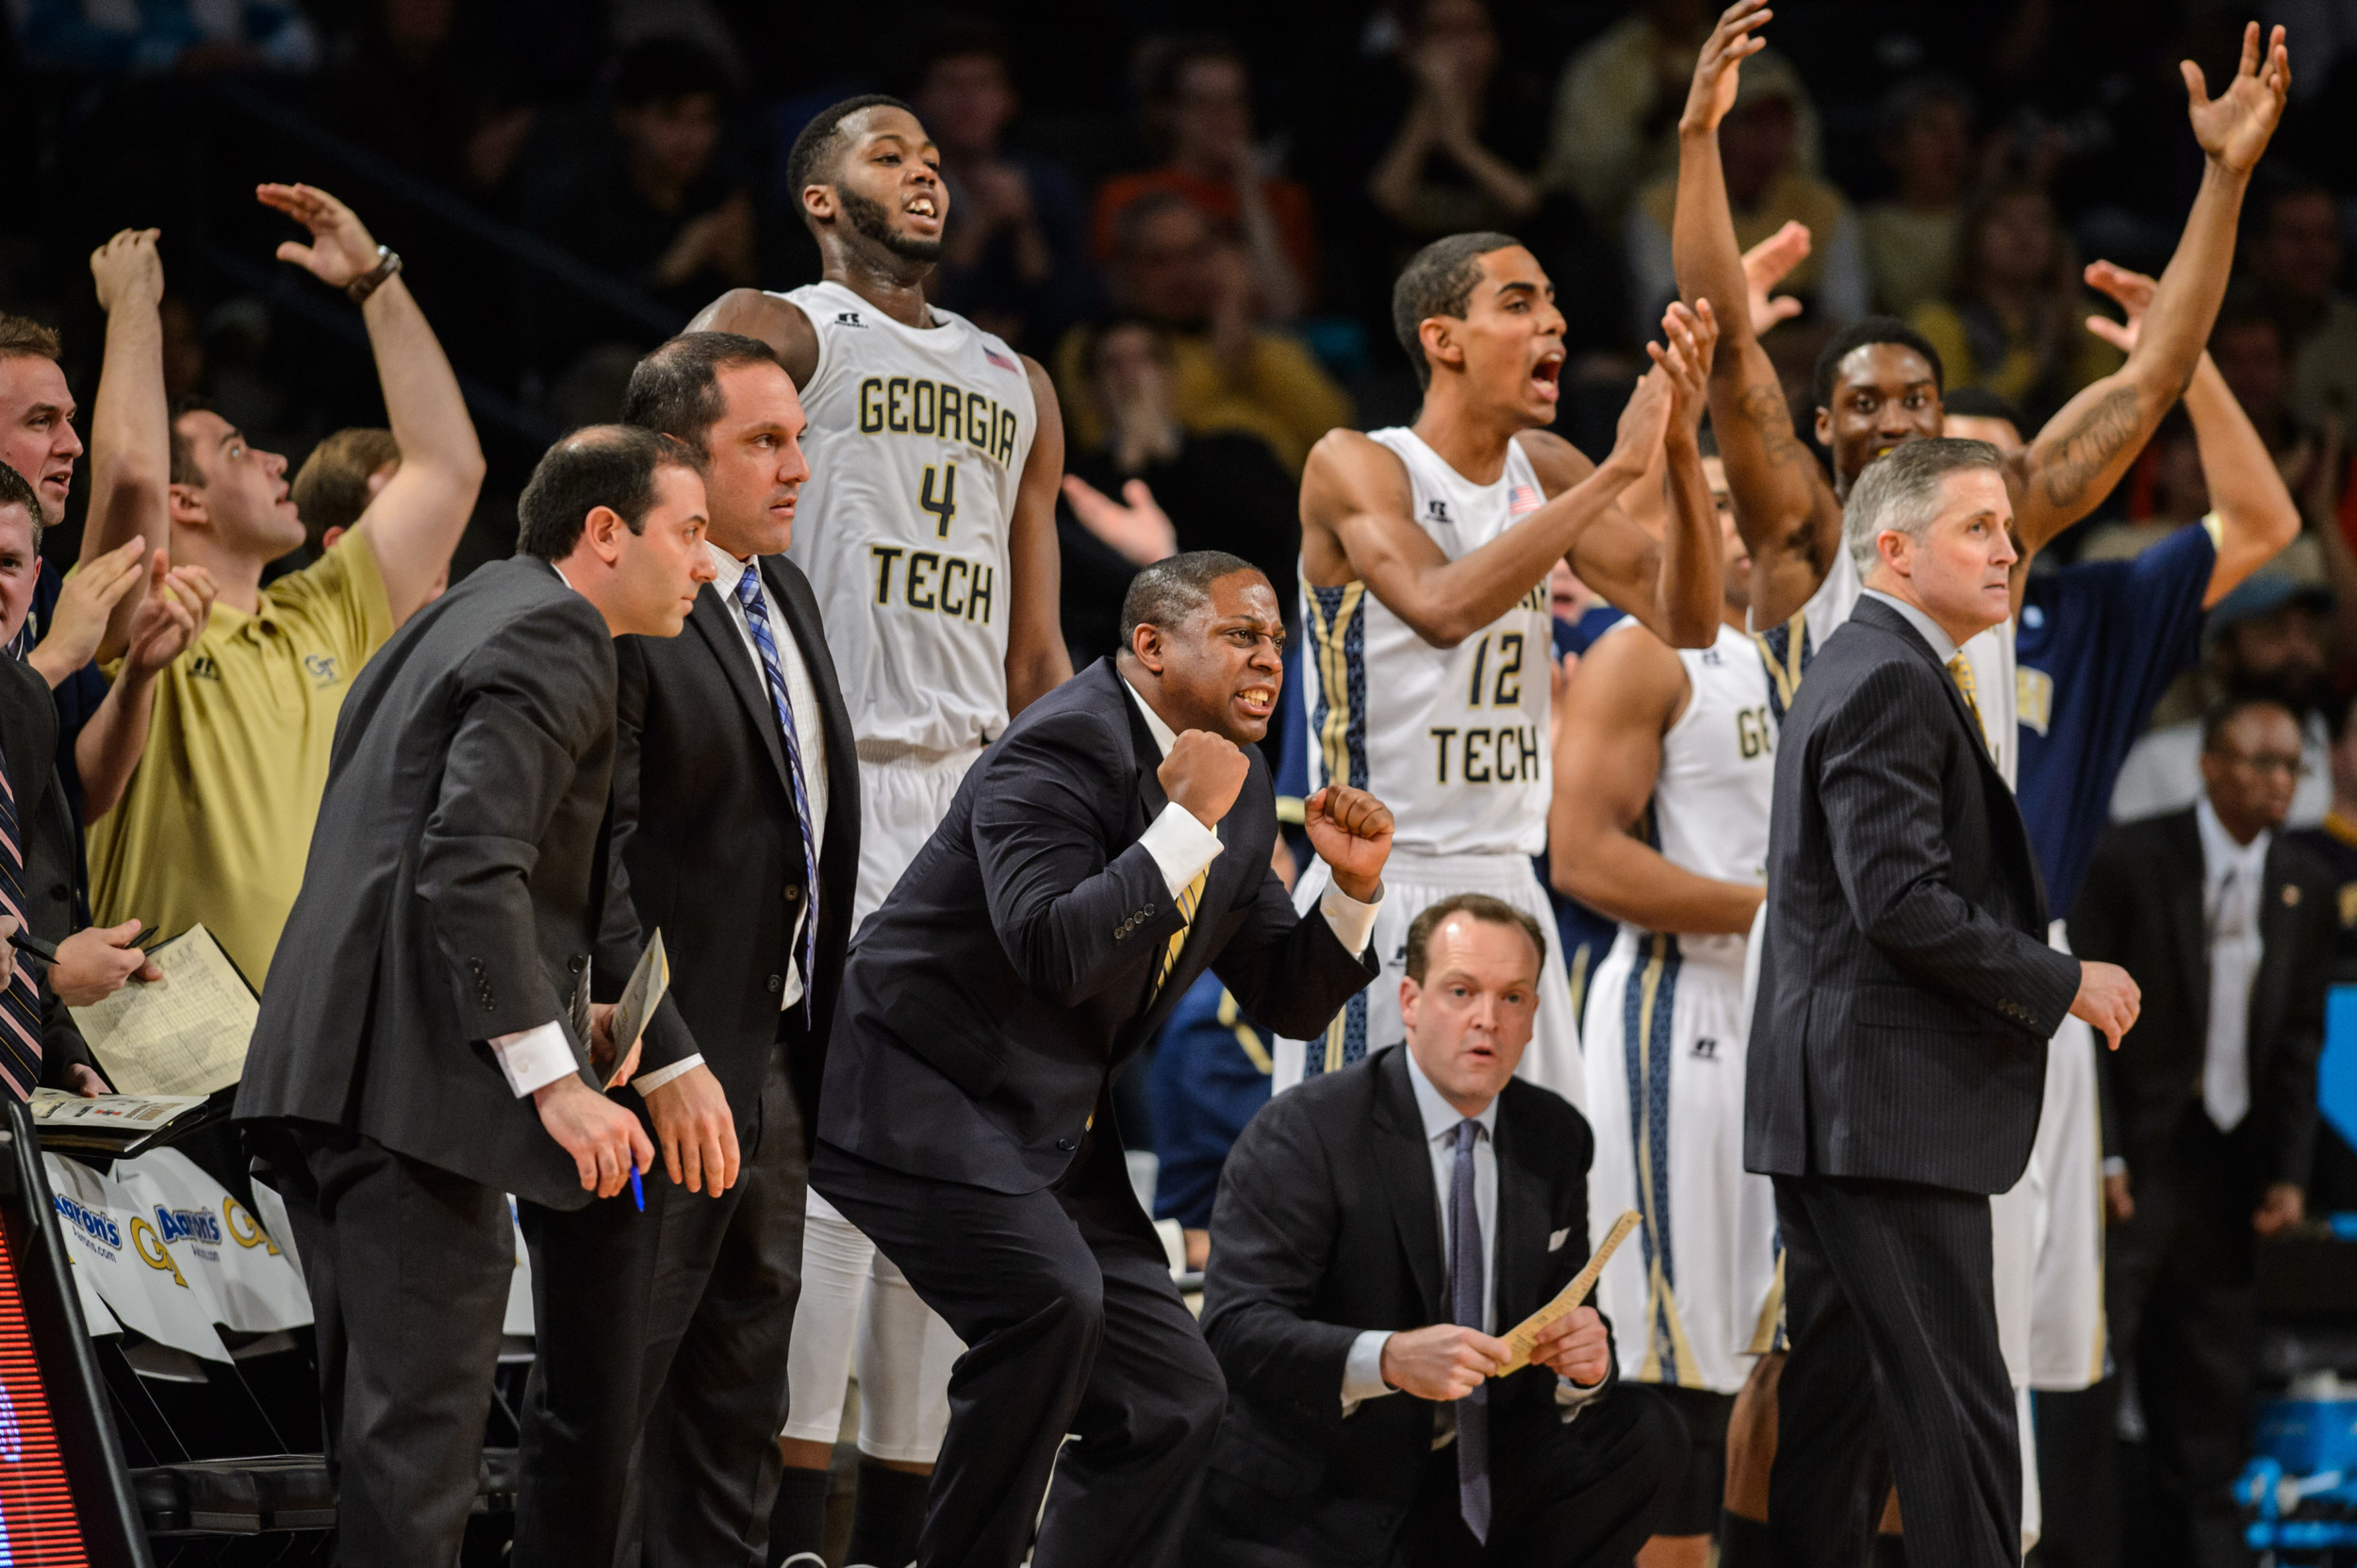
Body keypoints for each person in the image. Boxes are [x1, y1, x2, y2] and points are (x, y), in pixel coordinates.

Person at [810, 552, 1393, 1568]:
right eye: (1241, 636)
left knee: (1176, 1395)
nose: (1269, 660)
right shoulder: (1057, 750)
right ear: (1151, 646)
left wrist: (1348, 892)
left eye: (1278, 642)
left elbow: (1288, 998)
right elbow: (1053, 949)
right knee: (1049, 1303)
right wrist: (1183, 824)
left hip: (1039, 1119)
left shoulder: (1241, 784)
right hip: (905, 1085)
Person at [691, 92, 1071, 1568]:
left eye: (931, 150)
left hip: (975, 782)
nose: (921, 166)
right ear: (819, 199)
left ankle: (907, 1526)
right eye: (884, 150)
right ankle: (790, 1523)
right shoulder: (782, 321)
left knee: (962, 1162)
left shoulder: (1012, 374)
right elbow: (690, 462)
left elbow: (1038, 645)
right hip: (830, 770)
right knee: (849, 1153)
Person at [234, 426, 714, 1568]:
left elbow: (430, 852)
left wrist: (579, 1006)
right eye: (689, 533)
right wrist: (555, 1081)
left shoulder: (470, 608)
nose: (706, 563)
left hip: (341, 1072)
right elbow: (468, 859)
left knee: (386, 1458)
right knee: (416, 1469)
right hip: (411, 1091)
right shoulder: (556, 633)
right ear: (605, 533)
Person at [1746, 436, 2140, 1565]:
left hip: (1840, 1104)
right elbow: (1902, 902)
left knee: (1840, 1409)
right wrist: (2061, 978)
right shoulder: (1886, 676)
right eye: (1979, 528)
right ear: (1894, 548)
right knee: (1956, 1412)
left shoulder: (1870, 663)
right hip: (1885, 1110)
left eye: (2009, 531)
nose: (2008, 551)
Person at [505, 334, 863, 1568]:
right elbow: (585, 855)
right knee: (608, 1406)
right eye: (766, 440)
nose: (799, 466)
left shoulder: (791, 592)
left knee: (736, 1404)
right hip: (647, 1062)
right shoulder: (628, 601)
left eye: (800, 436)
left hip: (769, 1056)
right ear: (676, 459)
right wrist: (663, 1045)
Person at [1277, 230, 1722, 1106]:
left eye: (1552, 300)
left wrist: (1674, 446)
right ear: (1444, 339)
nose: (1552, 321)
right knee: (1367, 1208)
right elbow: (1440, 608)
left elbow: (1690, 617)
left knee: (1534, 1211)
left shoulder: (1548, 469)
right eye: (1518, 304)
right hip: (1381, 879)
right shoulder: (1357, 462)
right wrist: (1618, 472)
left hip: (1510, 874)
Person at [1187, 893, 1686, 1566]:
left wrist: (1584, 1367)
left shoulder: (1554, 1136)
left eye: (1512, 997)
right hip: (1320, 1487)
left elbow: (1566, 1312)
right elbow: (1234, 1329)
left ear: (1534, 1018)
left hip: (1468, 1483)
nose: (1487, 1018)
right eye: (1462, 990)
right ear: (1411, 1000)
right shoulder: (1306, 1130)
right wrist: (1387, 1357)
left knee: (1644, 1431)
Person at [82, 183, 484, 992]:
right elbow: (131, 469)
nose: (274, 461)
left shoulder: (324, 609)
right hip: (163, 1053)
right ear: (184, 499)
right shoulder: (135, 615)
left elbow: (448, 466)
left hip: (315, 1051)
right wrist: (134, 306)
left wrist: (374, 279)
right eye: (235, 450)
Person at [1547, 453, 1776, 1565]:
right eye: (1704, 499)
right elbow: (1582, 856)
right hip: (1674, 1008)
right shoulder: (1639, 653)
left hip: (1785, 1007)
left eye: (1738, 502)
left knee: (1771, 1351)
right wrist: (1782, 912)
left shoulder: (1791, 656)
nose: (1728, 523)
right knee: (1670, 1356)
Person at [2072, 693, 2332, 1566]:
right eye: (2259, 762)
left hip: (2230, 1171)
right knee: (2093, 1396)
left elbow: (2300, 1045)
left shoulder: (2308, 880)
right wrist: (2100, 1152)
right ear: (2209, 765)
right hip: (2134, 1164)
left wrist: (2290, 1176)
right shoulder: (2130, 859)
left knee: (2210, 1409)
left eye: (2292, 766)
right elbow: (2081, 1033)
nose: (2278, 783)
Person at [0, 462, 164, 1100]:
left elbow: (25, 905)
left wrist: (62, 1052)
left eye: (9, 564)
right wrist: (54, 977)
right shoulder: (34, 689)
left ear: (36, 577)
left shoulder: (27, 702)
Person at [1055, 317, 1299, 666]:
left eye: (1146, 360)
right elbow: (1082, 585)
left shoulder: (1240, 453)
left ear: (1172, 376)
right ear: (1090, 391)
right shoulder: (1074, 483)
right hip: (1121, 663)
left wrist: (1168, 456)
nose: (1131, 376)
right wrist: (1128, 466)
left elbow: (1270, 542)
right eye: (1113, 365)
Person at [1063, 193, 1352, 473]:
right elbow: (1104, 437)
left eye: (1195, 254)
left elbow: (1334, 430)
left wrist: (1235, 325)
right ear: (1125, 269)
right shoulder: (1094, 347)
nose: (1182, 274)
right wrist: (1228, 359)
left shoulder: (1265, 345)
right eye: (1159, 260)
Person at [1631, 42, 1866, 341]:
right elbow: (1665, 330)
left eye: (1780, 121)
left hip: (1805, 379)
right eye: (1752, 120)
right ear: (1715, 126)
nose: (1769, 138)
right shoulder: (1661, 206)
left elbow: (1848, 329)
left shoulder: (1824, 206)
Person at [1094, 36, 1316, 322]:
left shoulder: (1284, 197)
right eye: (1204, 103)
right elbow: (1122, 302)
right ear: (1168, 112)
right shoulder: (1126, 194)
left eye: (1234, 101)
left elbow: (1288, 309)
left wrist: (1249, 192)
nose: (1223, 117)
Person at [912, 19, 1098, 353]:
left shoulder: (1047, 185)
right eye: (952, 86)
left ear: (1009, 100)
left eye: (983, 85)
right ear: (923, 100)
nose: (968, 102)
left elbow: (1070, 311)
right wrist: (975, 230)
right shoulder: (899, 191)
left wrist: (1024, 227)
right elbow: (907, 312)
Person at [2109, 565, 2333, 827]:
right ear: (2223, 652)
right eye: (2274, 631)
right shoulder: (2158, 761)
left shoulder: (2342, 758)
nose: (2299, 649)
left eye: (2310, 634)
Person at [1909, 184, 2123, 429]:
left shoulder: (2086, 319)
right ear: (1973, 236)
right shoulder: (1940, 322)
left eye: (2038, 221)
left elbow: (2113, 417)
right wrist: (2035, 357)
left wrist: (2071, 337)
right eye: (2003, 220)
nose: (2023, 233)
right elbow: (1952, 419)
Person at [1542, 0, 1709, 223]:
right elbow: (1585, 190)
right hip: (1624, 241)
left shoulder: (1748, 58)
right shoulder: (1600, 69)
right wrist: (1652, 124)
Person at [2246, 178, 2357, 432]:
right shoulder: (2213, 324)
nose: (2313, 253)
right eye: (2295, 236)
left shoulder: (2353, 334)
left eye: (2326, 236)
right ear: (2256, 249)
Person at [1857, 77, 1973, 320]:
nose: (1950, 144)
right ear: (1892, 147)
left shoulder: (1986, 221)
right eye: (1933, 129)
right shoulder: (1865, 227)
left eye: (1959, 130)